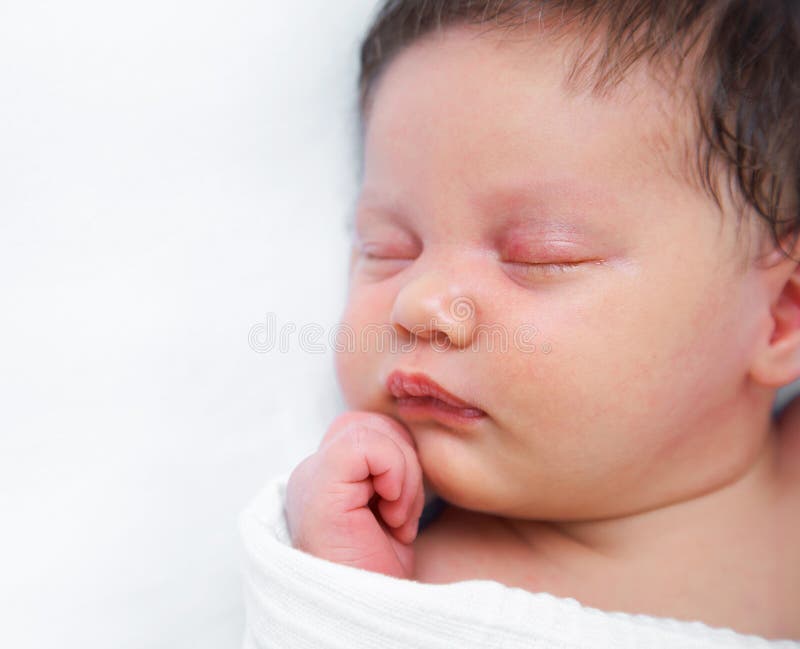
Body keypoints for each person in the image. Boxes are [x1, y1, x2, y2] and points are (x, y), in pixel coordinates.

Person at [283, 0, 800, 641]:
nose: (415, 304)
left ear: (781, 314)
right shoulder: (424, 594)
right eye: (385, 250)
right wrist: (347, 601)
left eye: (540, 255)